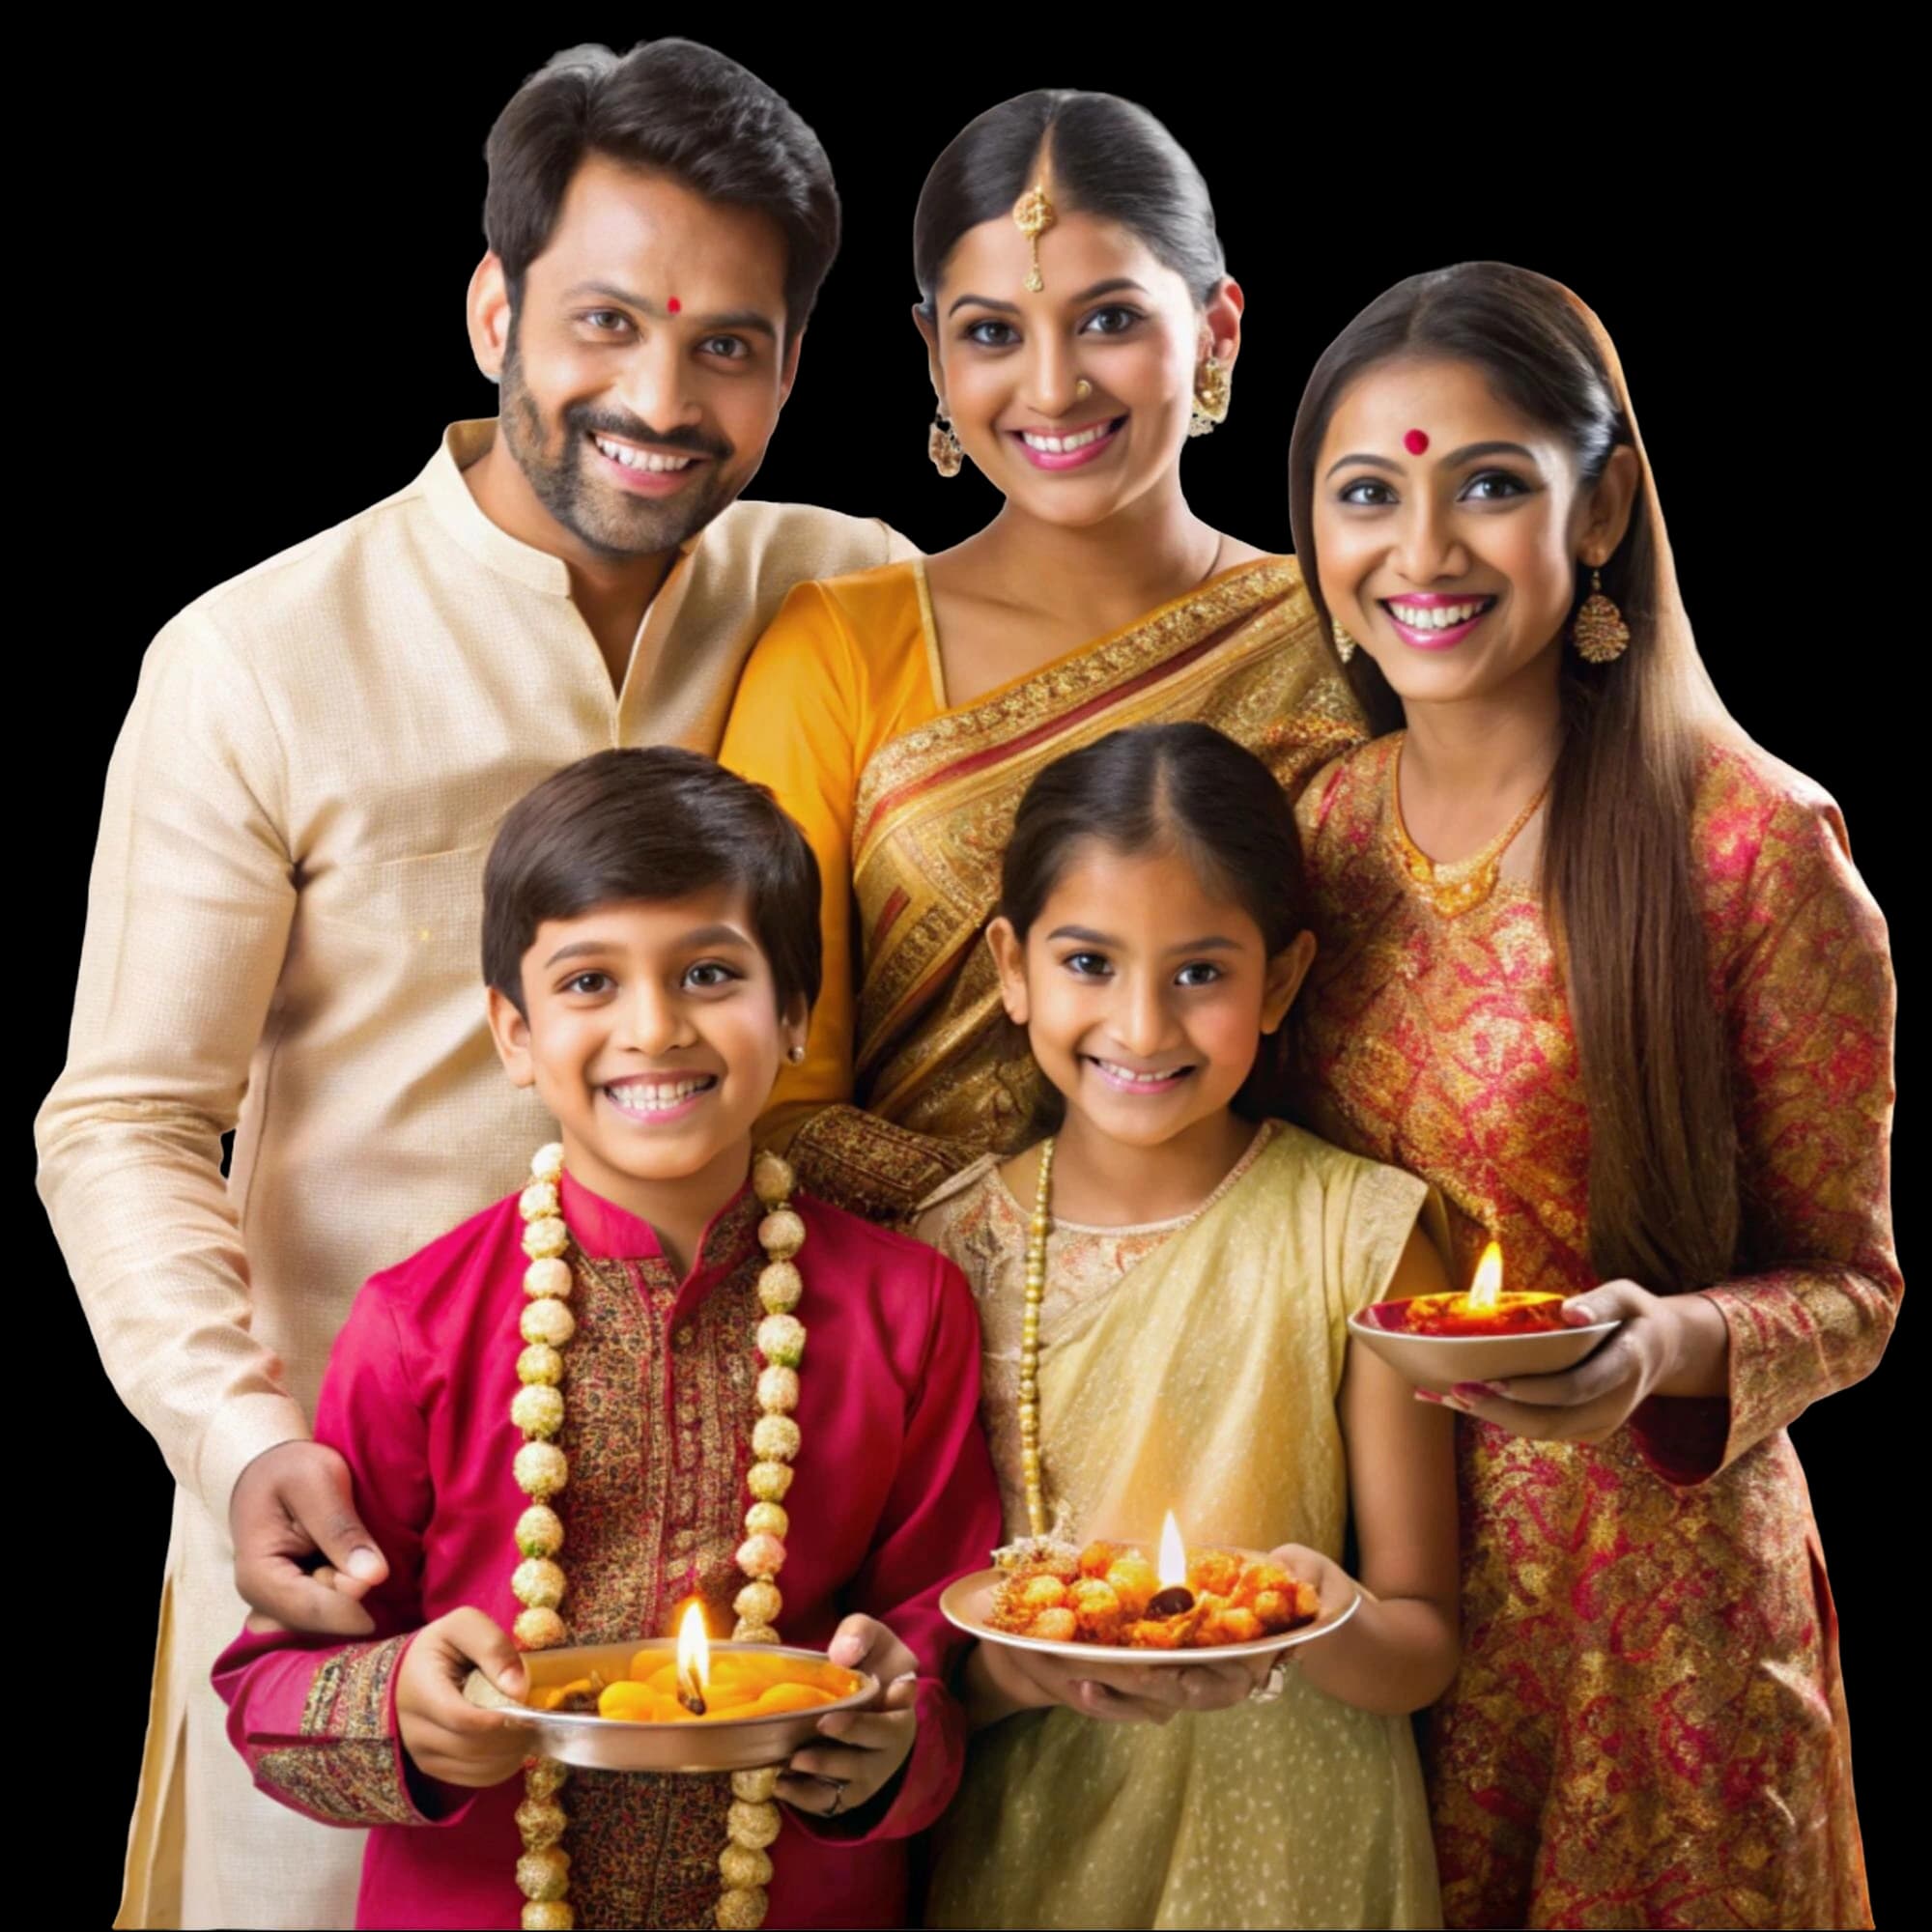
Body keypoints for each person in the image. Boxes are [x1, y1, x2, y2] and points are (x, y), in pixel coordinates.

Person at [37, 40, 918, 1931]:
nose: (659, 401)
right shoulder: (259, 656)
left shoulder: (845, 600)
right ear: (493, 308)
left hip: (753, 1572)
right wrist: (240, 1431)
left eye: (731, 347)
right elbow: (124, 1116)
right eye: (604, 322)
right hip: (358, 1548)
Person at [1287, 261, 1896, 1928]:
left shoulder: (1748, 844)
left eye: (1488, 484)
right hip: (1357, 1591)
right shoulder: (1311, 835)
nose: (1421, 553)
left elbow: (1855, 1290)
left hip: (1652, 1620)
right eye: (1367, 494)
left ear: (1605, 504)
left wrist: (1662, 1348)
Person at [213, 747, 1002, 1931]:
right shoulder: (418, 1320)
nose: (654, 1025)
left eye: (707, 972)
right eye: (588, 981)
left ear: (790, 1011)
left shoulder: (906, 1304)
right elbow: (272, 1679)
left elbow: (946, 1624)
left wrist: (894, 1744)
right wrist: (396, 1714)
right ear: (513, 1031)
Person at [720, 90, 1362, 1222]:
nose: (1053, 385)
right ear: (931, 352)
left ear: (1217, 330)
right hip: (916, 1330)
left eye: (1109, 319)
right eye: (991, 332)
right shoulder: (838, 648)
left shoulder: (1346, 631)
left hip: (1298, 1296)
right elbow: (766, 1087)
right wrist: (1040, 1241)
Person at [915, 724, 1459, 1929]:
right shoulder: (937, 1254)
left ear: (1277, 978)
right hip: (1032, 1840)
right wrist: (1019, 1664)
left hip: (1298, 1841)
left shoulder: (1356, 1233)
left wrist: (1324, 1613)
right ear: (1011, 967)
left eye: (1200, 972)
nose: (1143, 1025)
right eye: (1089, 963)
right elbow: (929, 1652)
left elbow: (1420, 1642)